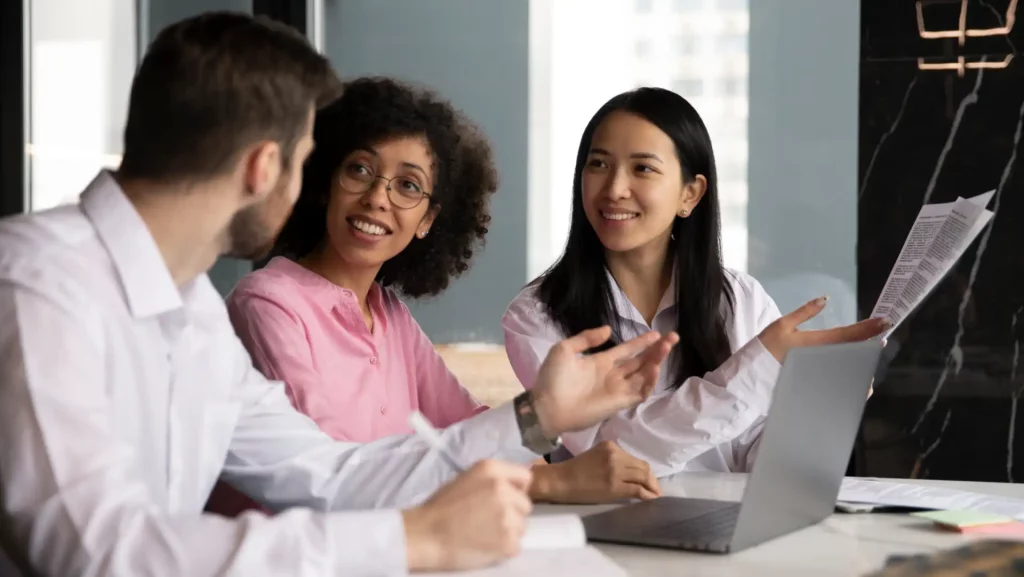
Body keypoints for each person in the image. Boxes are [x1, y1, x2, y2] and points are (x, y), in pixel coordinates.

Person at [0, 14, 678, 577]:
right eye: (308, 164)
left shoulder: (193, 310)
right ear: (266, 167)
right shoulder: (35, 283)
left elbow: (330, 471)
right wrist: (412, 540)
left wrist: (541, 413)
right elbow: (91, 551)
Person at [210, 77, 661, 512]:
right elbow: (339, 473)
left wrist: (552, 428)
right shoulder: (267, 304)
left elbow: (469, 425)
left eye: (408, 185)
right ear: (327, 183)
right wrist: (549, 478)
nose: (377, 198)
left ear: (428, 219)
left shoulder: (390, 316)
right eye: (360, 170)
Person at [502, 87, 888, 478]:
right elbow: (616, 456)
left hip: (726, 526)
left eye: (642, 168)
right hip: (605, 529)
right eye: (598, 164)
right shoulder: (537, 315)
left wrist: (824, 409)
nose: (615, 189)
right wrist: (754, 370)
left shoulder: (740, 299)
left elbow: (760, 461)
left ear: (690, 193)